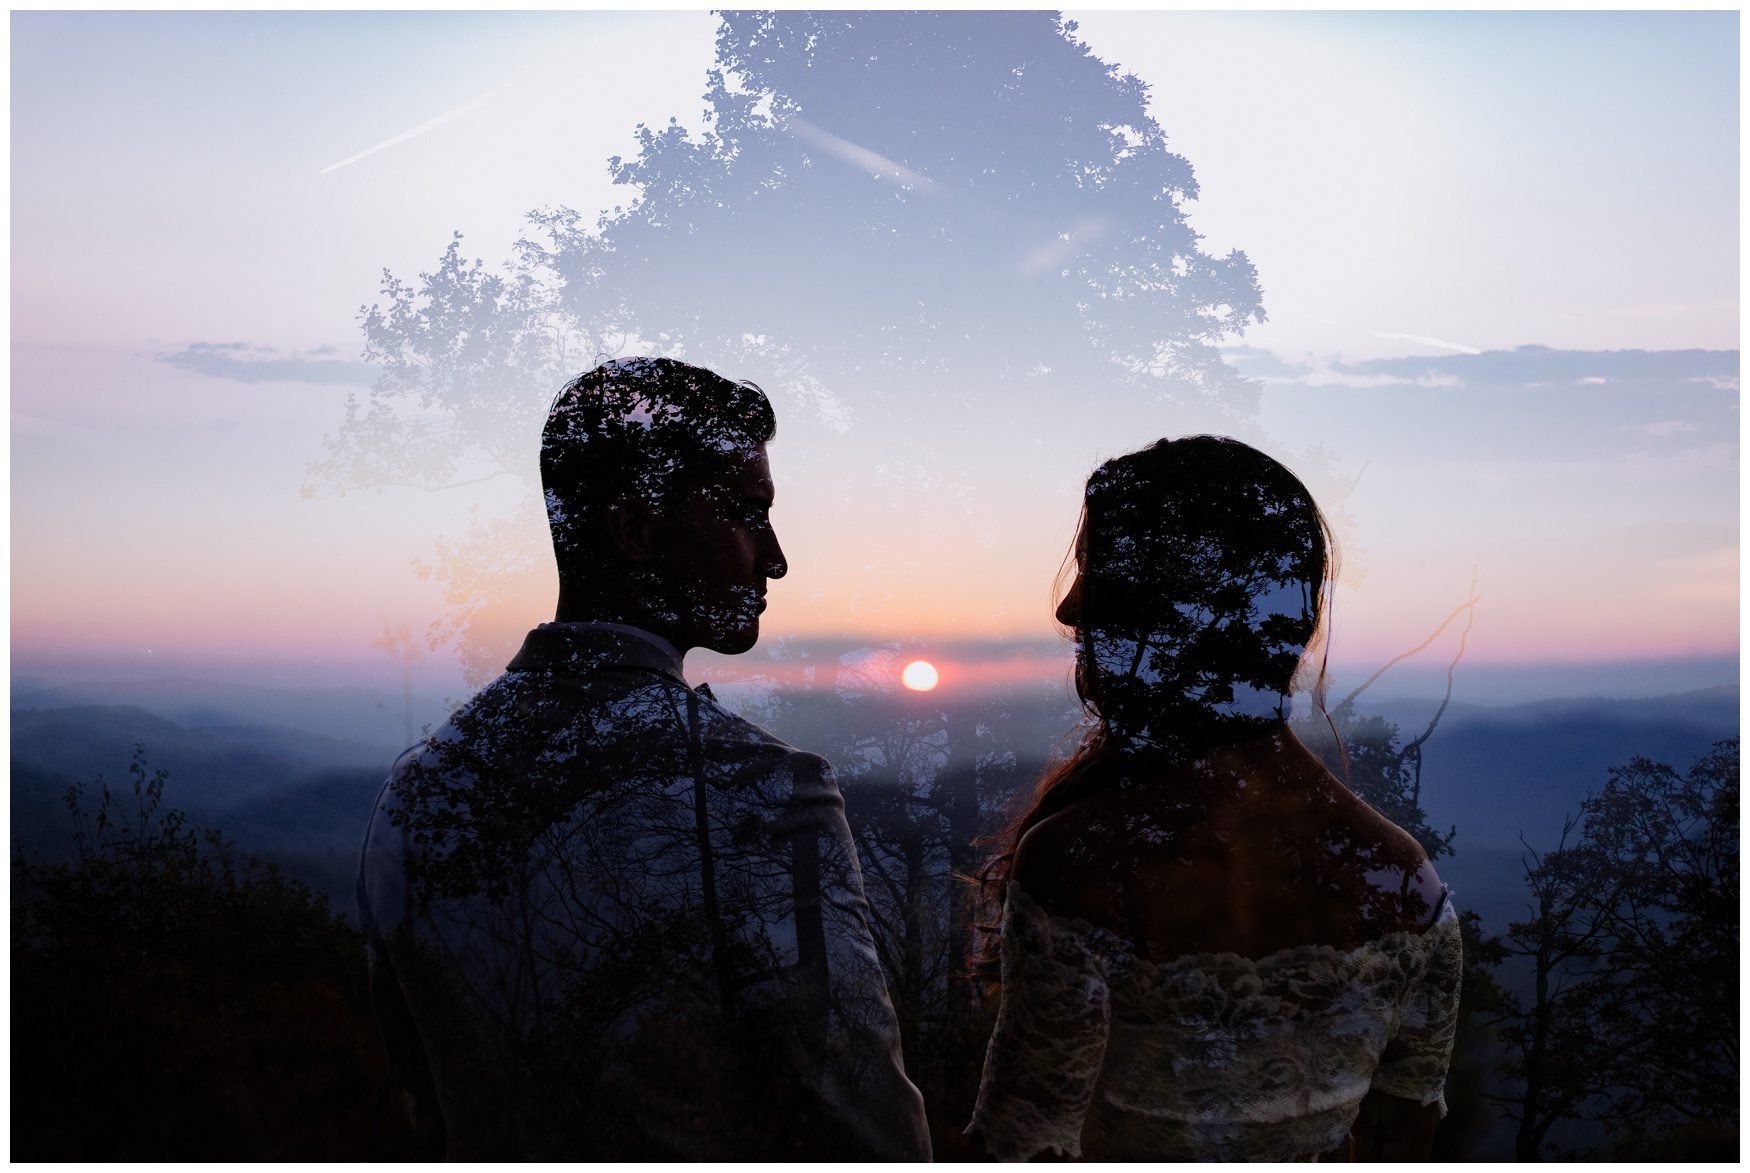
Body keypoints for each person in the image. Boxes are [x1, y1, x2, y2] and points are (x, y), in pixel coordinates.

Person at [357, 357, 930, 1161]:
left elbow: (425, 1105)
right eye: (744, 512)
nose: (774, 556)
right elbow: (865, 1132)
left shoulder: (413, 792)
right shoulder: (761, 793)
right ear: (635, 530)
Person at [965, 436, 1461, 1162]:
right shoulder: (1406, 883)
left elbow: (1021, 1147)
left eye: (1097, 572)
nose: (1071, 608)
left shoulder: (1085, 867)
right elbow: (1403, 1141)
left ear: (1178, 610)